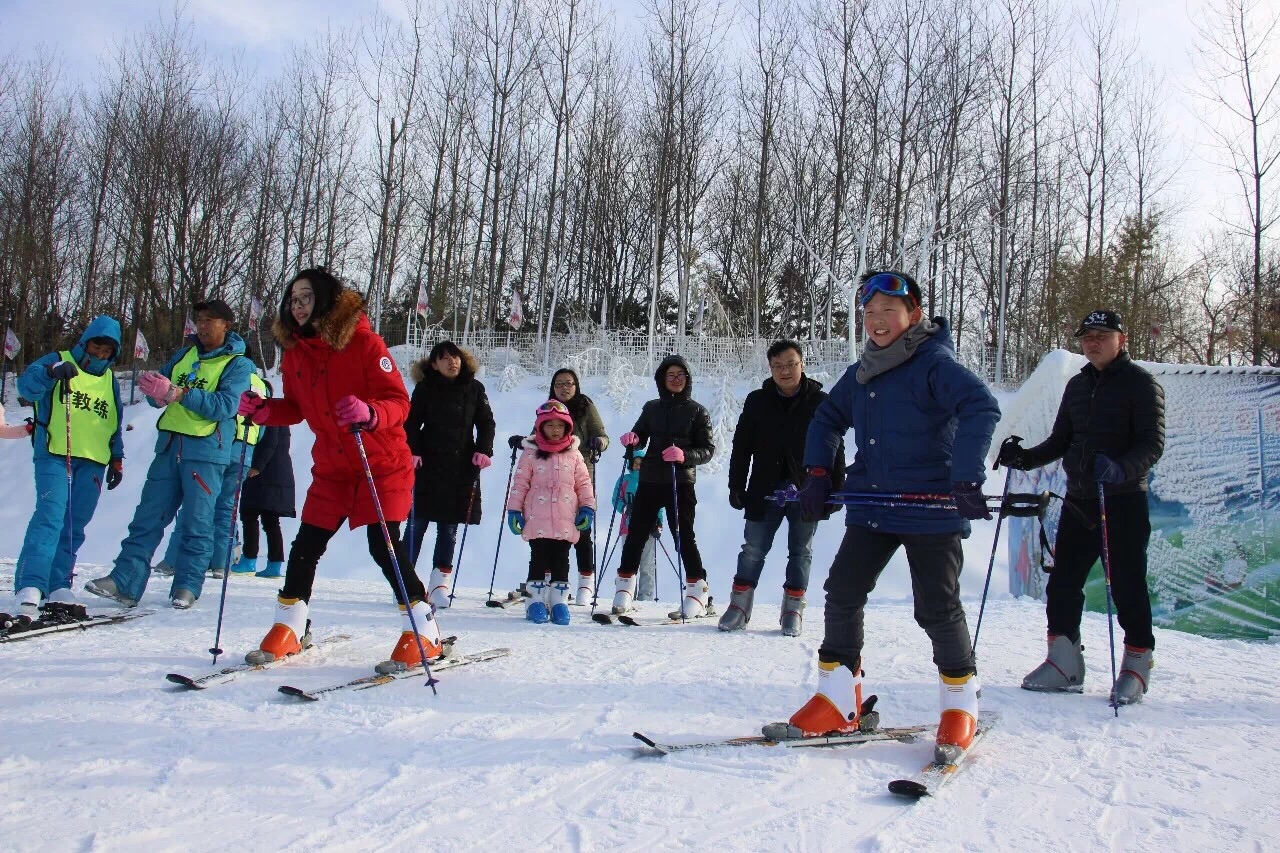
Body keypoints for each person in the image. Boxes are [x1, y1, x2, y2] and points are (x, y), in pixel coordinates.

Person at [785, 270, 999, 766]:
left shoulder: (934, 362)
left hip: (930, 508)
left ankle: (959, 702)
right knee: (842, 591)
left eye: (889, 312)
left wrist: (965, 477)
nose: (878, 322)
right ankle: (839, 698)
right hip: (874, 502)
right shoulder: (864, 369)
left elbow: (980, 406)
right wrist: (818, 471)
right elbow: (826, 417)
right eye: (870, 313)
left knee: (937, 607)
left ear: (914, 315)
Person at [236, 268, 443, 669]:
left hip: (379, 462)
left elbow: (399, 402)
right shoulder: (295, 353)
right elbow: (296, 408)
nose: (297, 306)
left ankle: (424, 631)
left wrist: (369, 413)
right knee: (306, 546)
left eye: (306, 297)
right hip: (332, 467)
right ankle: (290, 627)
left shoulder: (364, 343)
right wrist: (266, 411)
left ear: (327, 299)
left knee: (384, 548)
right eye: (293, 299)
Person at [1000, 309, 1165, 705]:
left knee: (1126, 584)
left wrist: (1120, 467)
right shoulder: (1076, 385)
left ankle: (1136, 664)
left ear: (1121, 340)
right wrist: (1024, 458)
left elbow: (1151, 443)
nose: (1093, 342)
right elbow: (1061, 440)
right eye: (1087, 336)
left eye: (1102, 335)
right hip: (1079, 500)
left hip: (1122, 500)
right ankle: (1064, 662)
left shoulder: (1142, 385)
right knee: (1063, 581)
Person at [87, 301, 253, 610]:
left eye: (210, 321)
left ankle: (188, 584)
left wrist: (179, 393)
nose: (202, 326)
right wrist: (155, 392)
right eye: (199, 320)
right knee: (147, 518)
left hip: (206, 452)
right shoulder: (183, 355)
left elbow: (226, 406)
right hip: (169, 447)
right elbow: (159, 397)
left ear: (227, 325)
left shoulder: (239, 364)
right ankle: (125, 579)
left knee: (197, 523)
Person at [722, 340, 843, 637]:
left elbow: (836, 449)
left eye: (790, 364)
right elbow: (741, 447)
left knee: (801, 551)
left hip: (808, 489)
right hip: (764, 487)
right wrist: (736, 485)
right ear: (770, 369)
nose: (784, 371)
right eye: (777, 366)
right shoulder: (757, 401)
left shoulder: (821, 402)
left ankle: (793, 610)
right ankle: (739, 606)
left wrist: (836, 490)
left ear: (802, 364)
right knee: (753, 549)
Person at [12, 317, 125, 614]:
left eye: (107, 352)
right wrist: (50, 374)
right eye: (96, 346)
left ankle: (58, 582)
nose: (100, 355)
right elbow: (27, 386)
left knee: (75, 523)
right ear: (85, 342)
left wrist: (117, 458)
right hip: (55, 452)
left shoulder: (110, 380)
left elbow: (114, 421)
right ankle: (31, 581)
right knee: (51, 515)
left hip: (94, 460)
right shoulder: (58, 360)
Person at [613, 355, 715, 618]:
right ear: (662, 379)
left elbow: (707, 450)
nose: (676, 379)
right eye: (670, 375)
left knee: (683, 536)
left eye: (681, 374)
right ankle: (624, 589)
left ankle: (697, 592)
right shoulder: (651, 408)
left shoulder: (698, 411)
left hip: (680, 482)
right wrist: (632, 441)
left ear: (688, 379)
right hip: (649, 478)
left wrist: (684, 455)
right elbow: (638, 438)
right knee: (635, 534)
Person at [404, 340, 495, 608]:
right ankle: (406, 582)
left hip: (460, 467)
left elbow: (486, 422)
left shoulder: (475, 388)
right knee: (415, 524)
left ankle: (439, 584)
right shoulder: (425, 388)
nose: (451, 362)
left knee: (449, 527)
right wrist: (414, 450)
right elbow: (411, 422)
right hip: (426, 466)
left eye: (455, 357)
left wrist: (483, 450)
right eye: (444, 358)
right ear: (434, 364)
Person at [507, 367, 609, 602]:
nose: (565, 387)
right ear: (553, 387)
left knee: (580, 530)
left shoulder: (586, 405)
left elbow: (603, 435)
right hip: (546, 476)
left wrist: (598, 443)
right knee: (547, 532)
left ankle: (585, 581)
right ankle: (545, 583)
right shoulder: (547, 412)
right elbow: (536, 440)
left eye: (569, 383)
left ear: (576, 386)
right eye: (559, 383)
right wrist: (522, 441)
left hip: (577, 470)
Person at [156, 369, 269, 580]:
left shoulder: (232, 374)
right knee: (226, 509)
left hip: (220, 448)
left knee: (196, 504)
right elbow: (263, 426)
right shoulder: (261, 386)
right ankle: (220, 563)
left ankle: (173, 560)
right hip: (245, 451)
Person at [504, 399, 595, 625]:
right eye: (549, 425)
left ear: (567, 428)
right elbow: (521, 482)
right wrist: (514, 509)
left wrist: (587, 507)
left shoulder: (574, 454)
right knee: (539, 558)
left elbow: (583, 483)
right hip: (538, 517)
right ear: (540, 427)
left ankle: (558, 601)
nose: (555, 431)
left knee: (561, 560)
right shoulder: (531, 453)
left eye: (560, 426)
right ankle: (535, 601)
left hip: (566, 518)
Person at [230, 378, 296, 579]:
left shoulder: (268, 412)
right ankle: (272, 564)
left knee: (251, 515)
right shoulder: (272, 411)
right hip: (274, 474)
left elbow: (270, 442)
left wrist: (256, 466)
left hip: (266, 474)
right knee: (268, 520)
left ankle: (251, 559)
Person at [611, 448, 662, 601]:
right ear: (631, 464)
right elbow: (616, 499)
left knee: (647, 563)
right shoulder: (624, 480)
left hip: (648, 528)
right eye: (635, 463)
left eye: (641, 464)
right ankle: (627, 594)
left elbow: (659, 504)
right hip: (628, 527)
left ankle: (645, 596)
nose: (638, 466)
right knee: (628, 561)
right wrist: (625, 508)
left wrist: (659, 523)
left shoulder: (652, 480)